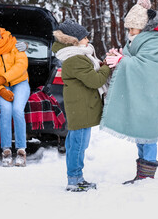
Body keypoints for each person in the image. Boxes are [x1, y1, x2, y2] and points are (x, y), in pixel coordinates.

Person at [100, 0, 158, 184]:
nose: (130, 32)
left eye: (133, 29)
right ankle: (142, 174)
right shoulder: (136, 39)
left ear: (143, 27)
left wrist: (122, 61)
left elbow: (146, 64)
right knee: (141, 131)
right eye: (129, 29)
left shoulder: (155, 40)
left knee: (148, 132)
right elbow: (132, 58)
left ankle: (147, 174)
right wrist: (119, 56)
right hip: (140, 91)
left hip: (149, 92)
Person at [52, 19, 111, 192]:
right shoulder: (75, 59)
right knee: (78, 145)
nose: (88, 40)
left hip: (80, 106)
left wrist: (100, 66)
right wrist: (106, 67)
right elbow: (95, 80)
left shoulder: (77, 56)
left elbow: (89, 74)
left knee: (76, 144)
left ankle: (77, 177)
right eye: (85, 38)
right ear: (74, 41)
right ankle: (74, 180)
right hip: (81, 108)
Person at [0, 16, 30, 167]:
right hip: (2, 88)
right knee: (6, 110)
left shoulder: (13, 44)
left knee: (17, 110)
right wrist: (1, 89)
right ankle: (6, 150)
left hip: (20, 82)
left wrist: (3, 78)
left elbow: (21, 65)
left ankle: (21, 150)